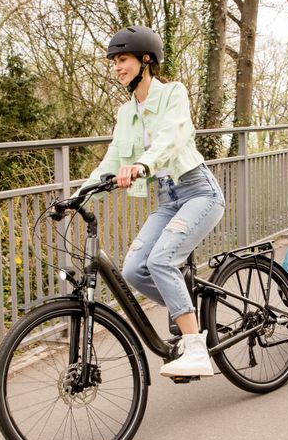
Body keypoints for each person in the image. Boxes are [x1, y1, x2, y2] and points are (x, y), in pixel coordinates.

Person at [74, 26, 225, 378]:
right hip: (167, 198)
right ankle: (187, 312)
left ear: (146, 60)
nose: (117, 67)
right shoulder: (125, 113)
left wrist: (143, 165)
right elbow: (112, 159)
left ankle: (195, 348)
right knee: (134, 269)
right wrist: (78, 194)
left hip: (198, 192)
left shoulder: (173, 94)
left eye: (123, 59)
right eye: (114, 61)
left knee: (161, 260)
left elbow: (171, 138)